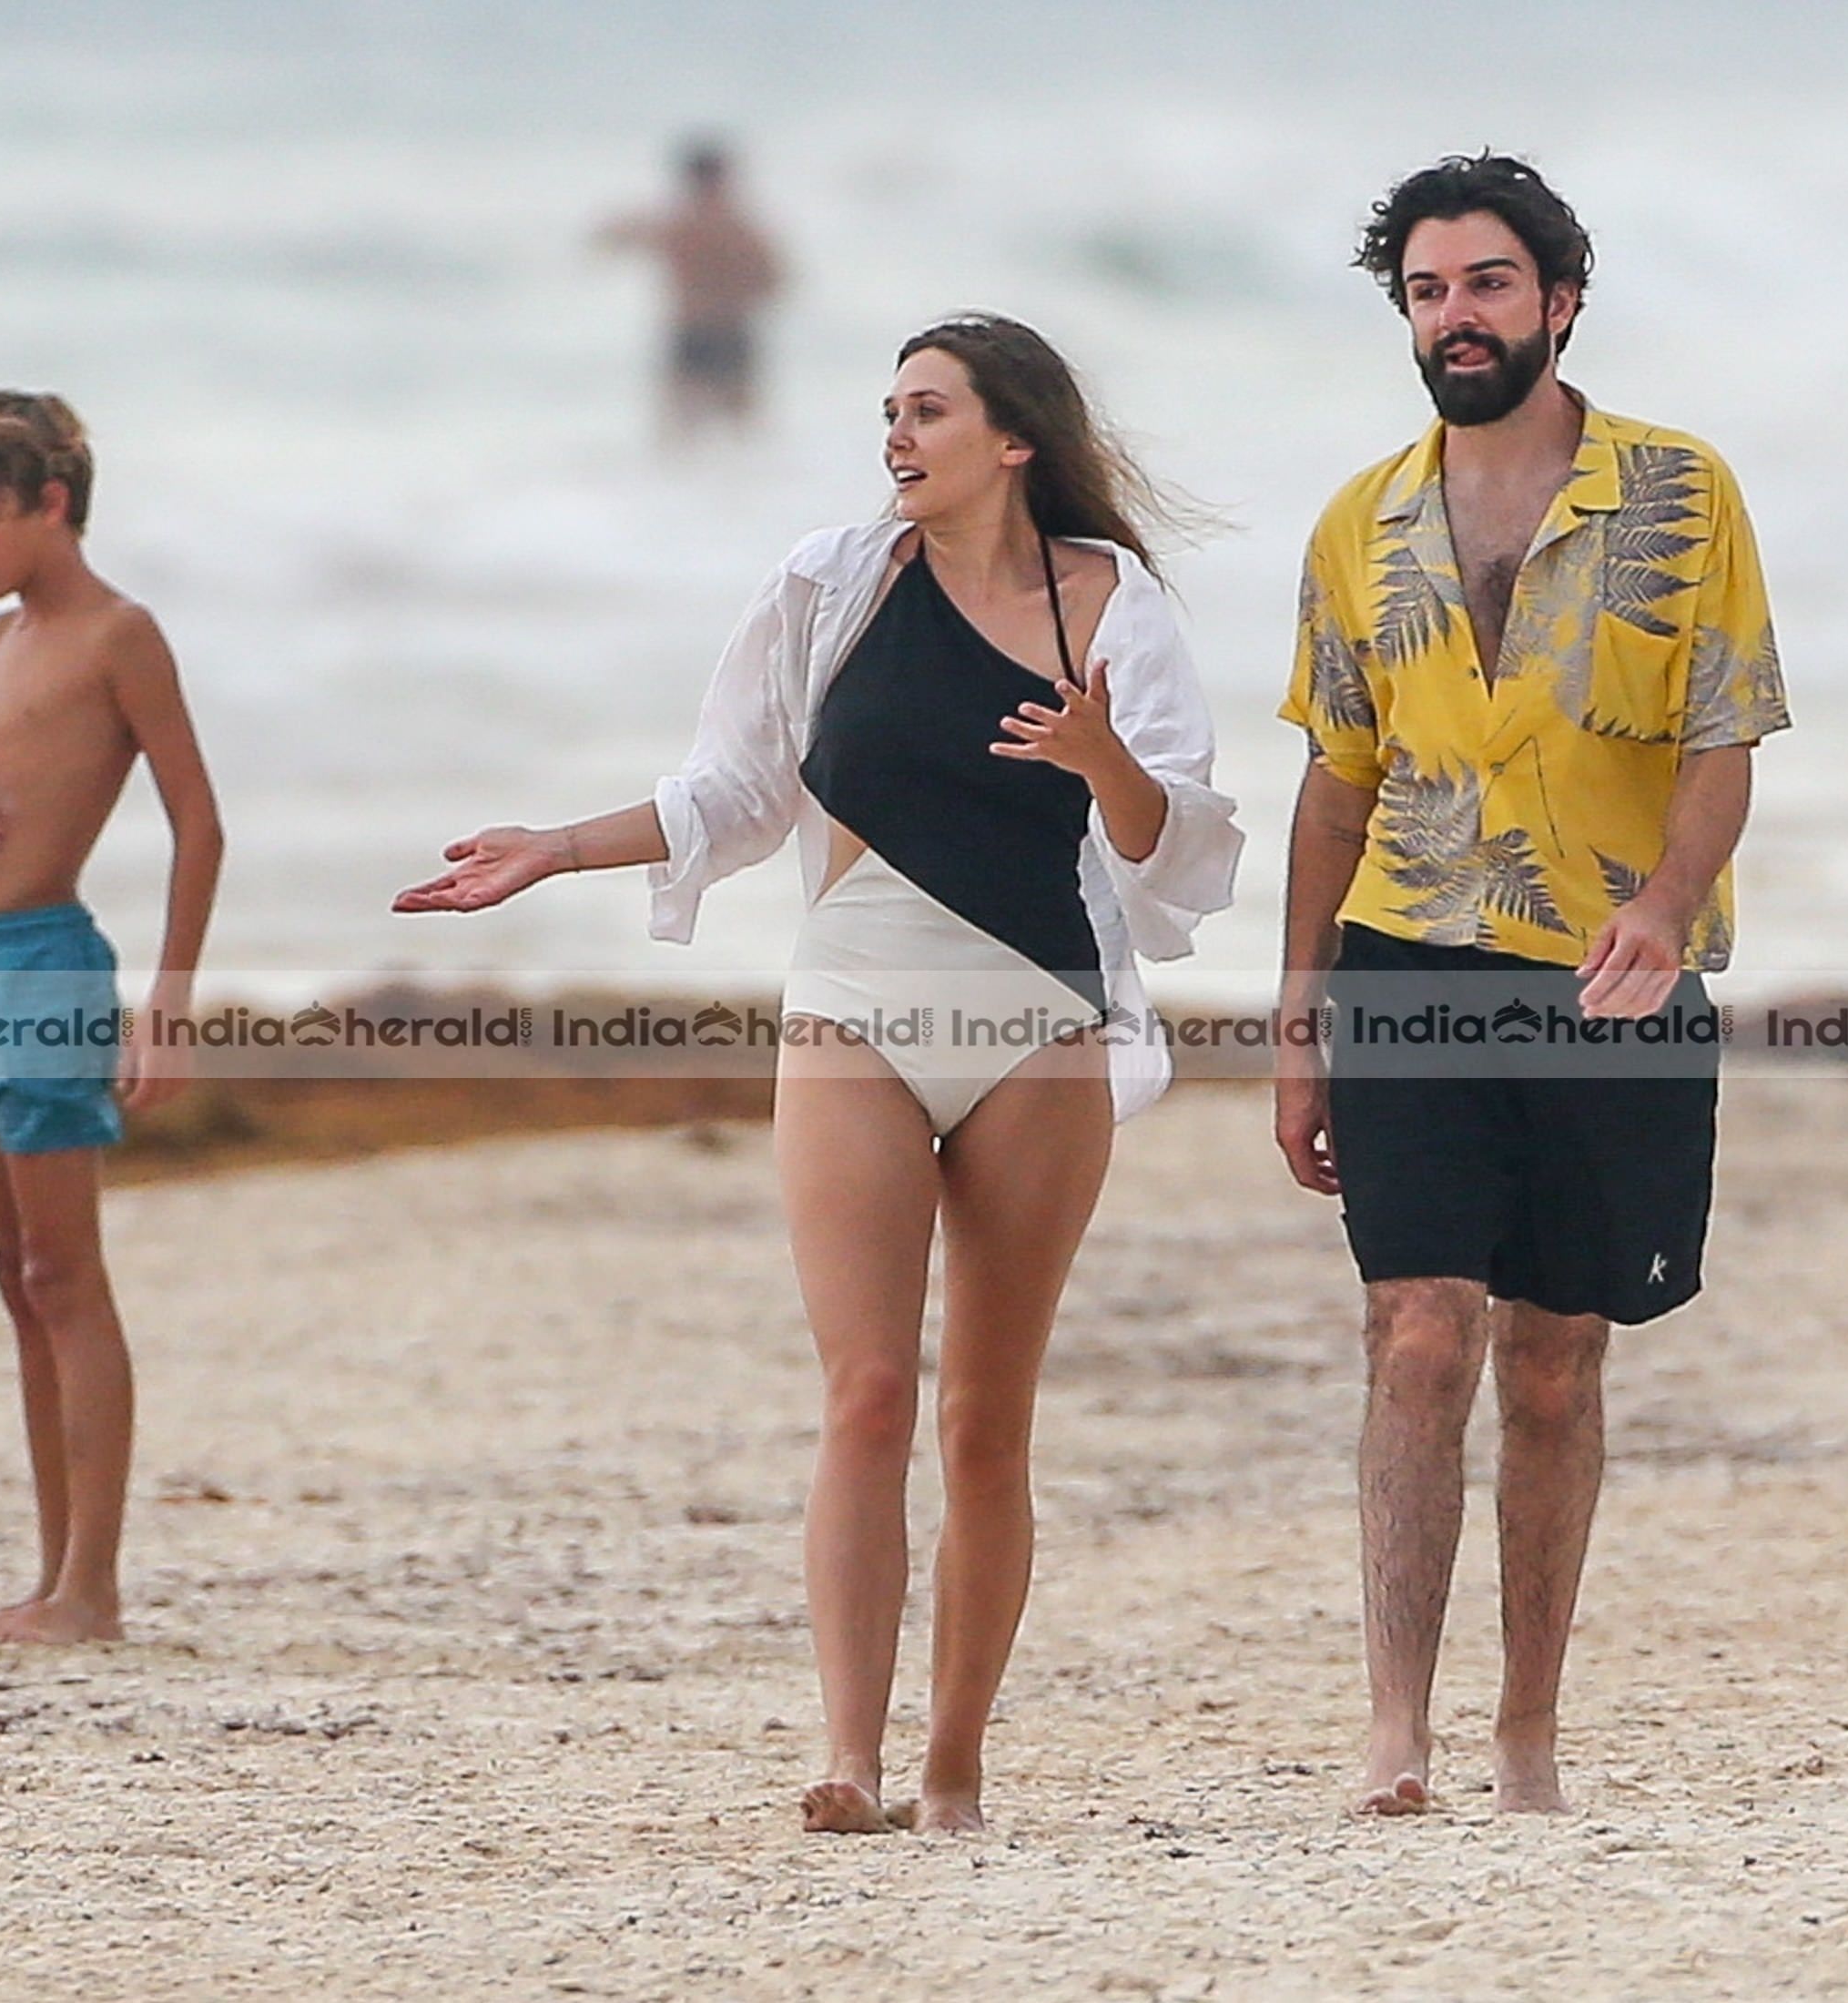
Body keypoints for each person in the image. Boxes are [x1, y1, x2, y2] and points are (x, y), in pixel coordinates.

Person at [395, 314, 1243, 1833]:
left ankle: (952, 1769)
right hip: (854, 1000)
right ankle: (849, 1755)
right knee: (866, 1394)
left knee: (986, 1419)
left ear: (1015, 439)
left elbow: (1172, 847)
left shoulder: (1113, 605)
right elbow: (736, 784)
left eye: (928, 411)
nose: (896, 437)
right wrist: (556, 849)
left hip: (1038, 1020)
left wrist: (1101, 759)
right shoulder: (834, 582)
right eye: (889, 412)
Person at [1273, 154, 1790, 1815]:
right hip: (1405, 962)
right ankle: (1395, 1734)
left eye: (1486, 284)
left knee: (1557, 1359)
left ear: (1560, 300)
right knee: (1417, 1332)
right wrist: (1297, 1025)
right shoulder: (1358, 524)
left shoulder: (1681, 493)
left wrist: (1668, 904)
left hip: (1606, 983)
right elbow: (1334, 786)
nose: (1456, 317)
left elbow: (1724, 735)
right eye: (1427, 291)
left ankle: (1527, 1737)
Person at [0, 390, 225, 1644]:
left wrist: (170, 1002)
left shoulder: (119, 635)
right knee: (14, 1277)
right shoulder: (0, 641)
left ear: (50, 503)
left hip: (45, 965)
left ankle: (93, 1588)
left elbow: (200, 822)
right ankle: (50, 1578)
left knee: (62, 1272)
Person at [595, 138, 787, 442]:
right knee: (742, 433)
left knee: (682, 432)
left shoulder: (676, 224)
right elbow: (776, 283)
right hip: (731, 331)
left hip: (692, 332)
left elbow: (610, 240)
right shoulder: (741, 228)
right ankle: (748, 474)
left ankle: (683, 477)